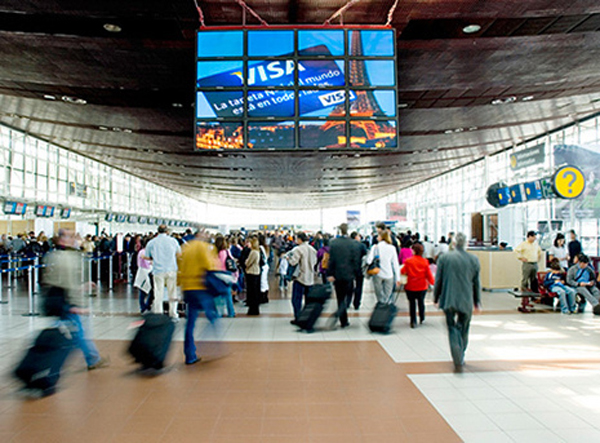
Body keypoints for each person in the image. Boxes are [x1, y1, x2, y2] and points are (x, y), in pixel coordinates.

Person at [43, 229, 109, 370]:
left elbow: (55, 281)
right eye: (71, 236)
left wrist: (82, 287)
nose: (74, 239)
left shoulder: (54, 255)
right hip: (66, 302)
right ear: (62, 239)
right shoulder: (67, 258)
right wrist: (77, 305)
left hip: (58, 300)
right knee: (79, 333)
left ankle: (91, 358)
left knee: (68, 331)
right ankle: (92, 359)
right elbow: (67, 283)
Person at [434, 232, 481, 371]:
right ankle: (461, 354)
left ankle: (457, 357)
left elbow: (438, 280)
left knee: (451, 327)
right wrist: (477, 301)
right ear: (466, 244)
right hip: (466, 300)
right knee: (464, 328)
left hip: (448, 298)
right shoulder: (473, 259)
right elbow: (476, 283)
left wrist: (436, 297)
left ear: (453, 243)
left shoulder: (444, 258)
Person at [177, 231, 220, 365]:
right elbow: (209, 265)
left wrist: (181, 285)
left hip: (187, 289)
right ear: (200, 235)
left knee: (190, 323)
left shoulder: (185, 248)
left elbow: (180, 266)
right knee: (213, 315)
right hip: (200, 288)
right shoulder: (203, 247)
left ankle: (190, 354)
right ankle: (212, 347)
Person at [144, 225, 181, 319]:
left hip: (158, 270)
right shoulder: (173, 241)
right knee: (172, 293)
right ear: (167, 231)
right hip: (171, 269)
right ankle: (173, 314)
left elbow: (147, 256)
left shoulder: (152, 242)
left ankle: (158, 314)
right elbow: (179, 253)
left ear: (158, 231)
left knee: (158, 293)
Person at [327, 224, 360, 328]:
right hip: (349, 274)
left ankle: (343, 319)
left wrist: (330, 273)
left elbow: (331, 260)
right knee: (348, 294)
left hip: (337, 274)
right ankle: (343, 310)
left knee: (340, 297)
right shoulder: (353, 243)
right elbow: (355, 260)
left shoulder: (333, 243)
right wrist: (356, 273)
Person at [401, 243, 435, 328]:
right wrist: (433, 283)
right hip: (422, 286)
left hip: (410, 286)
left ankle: (413, 321)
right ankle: (422, 317)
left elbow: (403, 271)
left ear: (414, 251)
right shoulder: (425, 261)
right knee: (421, 302)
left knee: (412, 303)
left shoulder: (408, 261)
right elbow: (428, 274)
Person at [287, 232, 318, 324]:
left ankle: (298, 317)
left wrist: (288, 259)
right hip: (310, 277)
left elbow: (293, 262)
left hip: (300, 278)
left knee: (296, 299)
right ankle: (307, 317)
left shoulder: (298, 249)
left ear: (300, 239)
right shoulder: (312, 249)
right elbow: (315, 262)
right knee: (308, 300)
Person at [366, 230, 401, 304]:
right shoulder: (392, 248)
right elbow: (395, 264)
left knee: (379, 297)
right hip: (389, 274)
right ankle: (386, 306)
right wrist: (398, 278)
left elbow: (369, 261)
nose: (377, 237)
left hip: (377, 273)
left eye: (378, 236)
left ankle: (381, 306)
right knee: (388, 296)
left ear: (381, 237)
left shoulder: (375, 247)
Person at [215, 235, 236, 317]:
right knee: (228, 294)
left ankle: (219, 312)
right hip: (227, 273)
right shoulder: (226, 251)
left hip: (219, 274)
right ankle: (231, 312)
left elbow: (217, 264)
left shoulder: (218, 253)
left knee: (218, 295)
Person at [245, 238, 262, 315]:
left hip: (252, 272)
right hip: (256, 272)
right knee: (255, 291)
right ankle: (255, 309)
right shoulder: (257, 252)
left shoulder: (253, 252)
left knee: (252, 292)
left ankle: (253, 309)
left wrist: (246, 262)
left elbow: (248, 262)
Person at [351, 232, 368, 310]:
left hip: (349, 268)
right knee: (359, 286)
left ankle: (348, 301)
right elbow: (365, 255)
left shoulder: (348, 245)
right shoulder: (361, 245)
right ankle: (357, 303)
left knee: (349, 285)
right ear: (356, 237)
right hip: (359, 268)